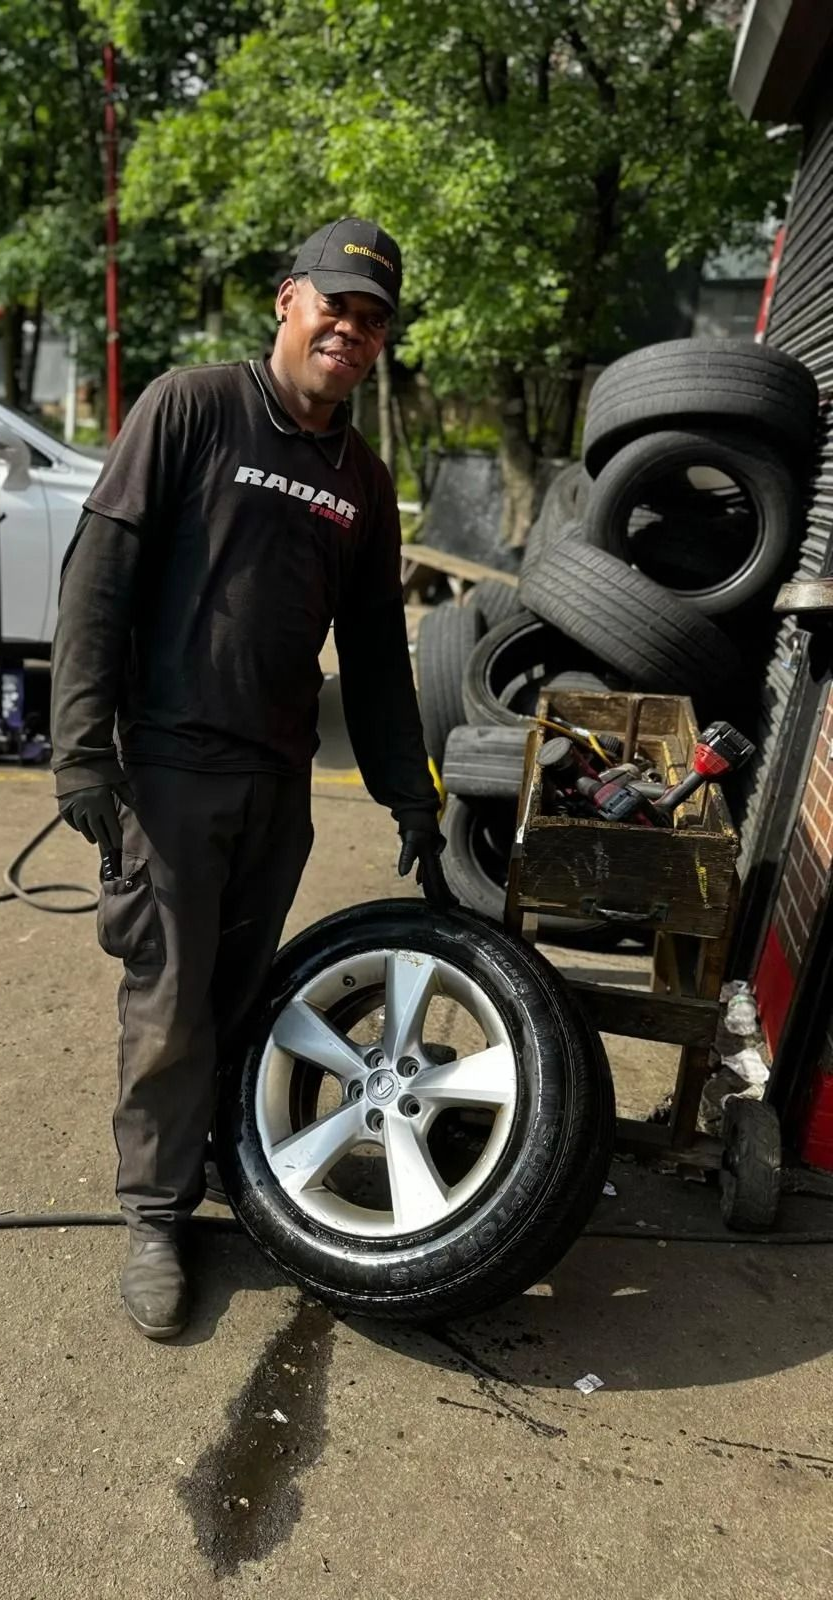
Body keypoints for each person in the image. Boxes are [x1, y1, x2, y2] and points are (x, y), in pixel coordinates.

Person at [50, 217, 452, 1341]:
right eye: (334, 307)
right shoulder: (191, 407)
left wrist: (409, 792)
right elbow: (98, 578)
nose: (349, 331)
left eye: (370, 321)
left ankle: (222, 1163)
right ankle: (153, 1215)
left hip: (277, 781)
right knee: (170, 1004)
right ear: (288, 300)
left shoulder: (361, 479)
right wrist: (80, 750)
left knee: (241, 997)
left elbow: (374, 655)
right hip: (170, 769)